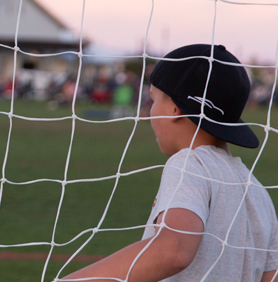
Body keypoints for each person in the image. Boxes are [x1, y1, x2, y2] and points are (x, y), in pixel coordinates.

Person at [60, 44, 278, 281]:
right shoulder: (256, 190)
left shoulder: (190, 165)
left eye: (153, 99)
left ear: (174, 108)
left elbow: (174, 250)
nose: (150, 111)